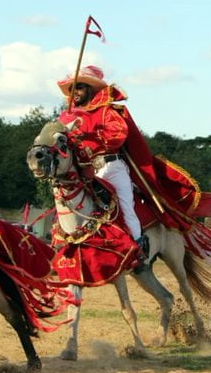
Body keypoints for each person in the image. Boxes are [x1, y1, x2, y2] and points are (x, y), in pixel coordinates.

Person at [56, 65, 149, 256]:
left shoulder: (106, 111)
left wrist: (91, 138)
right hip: (80, 170)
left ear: (90, 89)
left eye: (79, 87)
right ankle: (65, 248)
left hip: (110, 166)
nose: (75, 93)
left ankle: (139, 249)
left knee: (125, 206)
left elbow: (119, 133)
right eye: (73, 89)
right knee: (64, 203)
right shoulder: (66, 117)